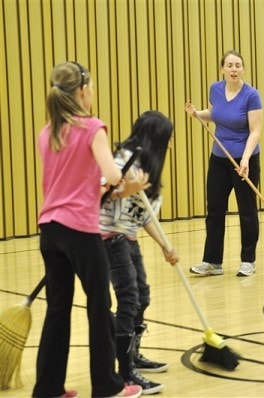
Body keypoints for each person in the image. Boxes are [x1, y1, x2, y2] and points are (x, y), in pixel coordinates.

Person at [34, 61, 142, 398]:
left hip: (49, 229)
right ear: (82, 91)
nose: (92, 94)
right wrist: (130, 183)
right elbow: (111, 176)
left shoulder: (47, 132)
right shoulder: (93, 128)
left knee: (57, 310)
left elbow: (68, 183)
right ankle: (107, 386)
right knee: (99, 306)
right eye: (91, 88)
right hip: (80, 229)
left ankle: (48, 390)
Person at [100, 111, 180, 394]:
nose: (170, 145)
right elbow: (99, 191)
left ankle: (133, 356)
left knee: (141, 296)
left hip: (128, 237)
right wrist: (126, 188)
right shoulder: (123, 160)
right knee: (129, 299)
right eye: (167, 138)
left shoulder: (148, 167)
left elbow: (145, 216)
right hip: (109, 237)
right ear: (156, 138)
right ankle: (126, 372)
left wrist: (165, 247)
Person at [185, 50, 263, 277]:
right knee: (215, 209)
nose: (234, 69)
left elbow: (255, 131)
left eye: (238, 65)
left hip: (244, 159)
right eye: (229, 65)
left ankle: (248, 260)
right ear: (222, 69)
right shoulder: (215, 89)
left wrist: (246, 158)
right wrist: (197, 114)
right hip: (219, 158)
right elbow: (215, 114)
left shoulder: (251, 95)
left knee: (247, 210)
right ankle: (212, 261)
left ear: (243, 69)